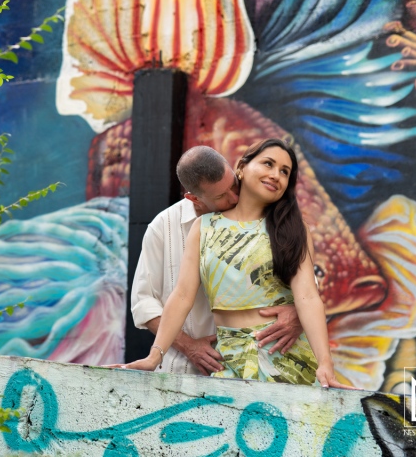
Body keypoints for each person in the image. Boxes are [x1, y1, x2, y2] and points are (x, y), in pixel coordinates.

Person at [123, 139, 354, 388]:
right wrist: (154, 356)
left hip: (286, 357)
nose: (276, 175)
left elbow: (308, 297)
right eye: (268, 163)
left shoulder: (293, 230)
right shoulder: (202, 227)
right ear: (242, 167)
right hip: (227, 359)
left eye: (285, 172)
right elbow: (181, 296)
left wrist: (325, 364)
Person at [130, 145, 303, 376]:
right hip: (180, 369)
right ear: (194, 198)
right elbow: (144, 303)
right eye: (222, 196)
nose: (234, 197)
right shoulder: (163, 227)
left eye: (233, 184)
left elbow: (308, 289)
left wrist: (296, 311)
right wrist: (188, 346)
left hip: (260, 365)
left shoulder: (270, 218)